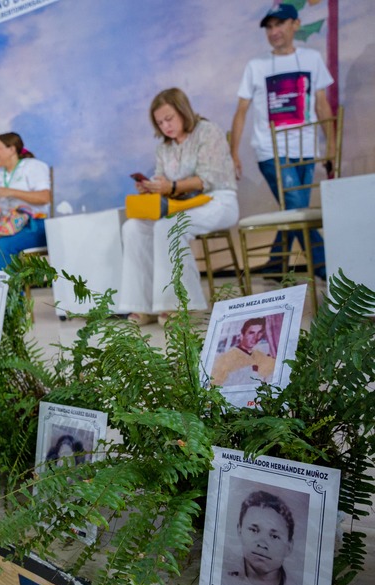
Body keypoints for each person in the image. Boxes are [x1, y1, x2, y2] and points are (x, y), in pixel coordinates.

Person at [230, 3, 333, 278]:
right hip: (270, 150)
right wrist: (234, 153)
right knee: (298, 211)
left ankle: (276, 264)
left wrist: (331, 147)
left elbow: (322, 106)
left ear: (295, 24)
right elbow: (241, 111)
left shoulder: (312, 59)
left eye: (279, 24)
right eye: (269, 26)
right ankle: (331, 269)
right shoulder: (256, 66)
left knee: (292, 210)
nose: (274, 31)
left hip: (306, 148)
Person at [120, 88, 239, 324]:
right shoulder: (163, 148)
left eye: (169, 118)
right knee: (132, 227)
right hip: (181, 206)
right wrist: (152, 187)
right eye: (160, 122)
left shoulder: (208, 131)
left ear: (183, 111)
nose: (165, 126)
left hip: (218, 200)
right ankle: (143, 304)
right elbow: (162, 181)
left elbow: (209, 178)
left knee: (169, 226)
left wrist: (171, 186)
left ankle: (180, 304)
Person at [0, 132, 51, 272]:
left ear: (12, 149)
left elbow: (45, 197)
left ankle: (13, 293)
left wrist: (11, 192)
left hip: (35, 226)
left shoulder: (33, 167)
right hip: (5, 227)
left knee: (3, 246)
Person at [223, 489, 301, 585]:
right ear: (239, 530)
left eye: (274, 536)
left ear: (289, 546)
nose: (262, 544)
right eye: (254, 530)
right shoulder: (220, 577)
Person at [210, 317, 277, 386]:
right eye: (251, 333)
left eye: (259, 332)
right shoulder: (225, 359)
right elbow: (214, 385)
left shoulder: (260, 355)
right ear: (242, 335)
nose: (255, 337)